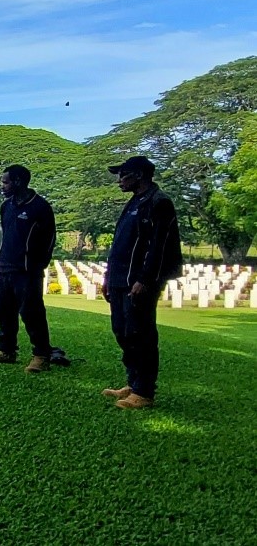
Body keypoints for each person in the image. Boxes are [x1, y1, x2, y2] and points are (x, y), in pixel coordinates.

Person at [103, 155, 182, 409]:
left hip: (139, 281)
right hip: (120, 278)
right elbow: (119, 245)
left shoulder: (159, 203)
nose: (119, 180)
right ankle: (133, 382)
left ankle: (144, 391)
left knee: (141, 334)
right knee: (122, 331)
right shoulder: (134, 202)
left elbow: (159, 246)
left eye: (123, 174)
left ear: (139, 175)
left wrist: (145, 280)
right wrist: (108, 278)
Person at [0, 165, 56, 373]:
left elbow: (49, 240)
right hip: (4, 267)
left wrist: (37, 265)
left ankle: (41, 355)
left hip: (27, 270)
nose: (2, 186)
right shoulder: (7, 206)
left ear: (19, 181)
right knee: (2, 312)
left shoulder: (40, 207)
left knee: (32, 313)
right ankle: (7, 350)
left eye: (5, 182)